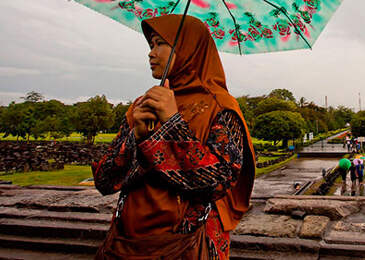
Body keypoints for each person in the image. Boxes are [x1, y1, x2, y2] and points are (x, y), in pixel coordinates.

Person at [92, 14, 255, 259]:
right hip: (127, 242)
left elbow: (217, 184)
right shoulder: (143, 104)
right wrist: (135, 137)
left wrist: (173, 123)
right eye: (151, 45)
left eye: (160, 43)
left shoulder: (219, 107)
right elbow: (104, 181)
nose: (151, 53)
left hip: (187, 244)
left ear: (189, 48)